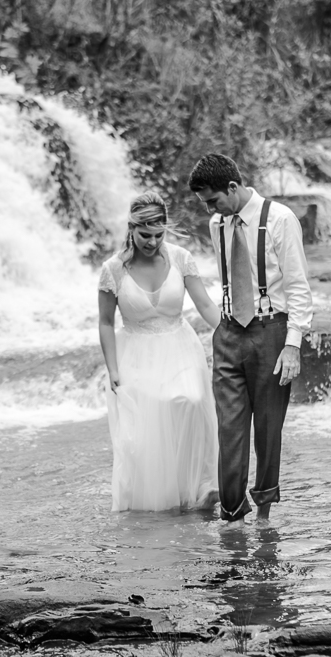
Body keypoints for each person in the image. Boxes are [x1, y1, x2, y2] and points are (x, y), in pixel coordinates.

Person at [189, 154, 313, 526]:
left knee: (268, 427)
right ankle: (232, 513)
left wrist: (293, 344)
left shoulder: (280, 219)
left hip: (270, 332)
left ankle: (263, 514)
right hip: (228, 333)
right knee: (229, 428)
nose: (211, 210)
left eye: (213, 200)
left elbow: (298, 288)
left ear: (233, 187)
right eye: (206, 204)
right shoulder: (217, 224)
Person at [97, 191, 222, 512]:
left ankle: (200, 489)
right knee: (145, 433)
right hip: (135, 354)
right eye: (145, 235)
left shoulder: (181, 258)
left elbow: (205, 304)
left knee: (189, 401)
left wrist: (232, 332)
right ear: (131, 229)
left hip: (179, 346)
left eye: (158, 234)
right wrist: (112, 369)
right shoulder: (113, 270)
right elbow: (106, 323)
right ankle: (160, 501)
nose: (152, 242)